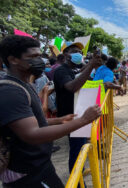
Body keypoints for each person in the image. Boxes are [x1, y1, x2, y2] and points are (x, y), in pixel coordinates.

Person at [0, 35, 101, 187]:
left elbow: (29, 121)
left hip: (39, 166)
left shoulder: (25, 84)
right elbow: (31, 134)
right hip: (27, 174)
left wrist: (58, 120)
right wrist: (83, 120)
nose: (39, 61)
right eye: (33, 56)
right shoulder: (10, 91)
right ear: (13, 59)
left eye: (39, 55)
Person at [53, 41, 103, 174]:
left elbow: (81, 71)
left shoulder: (74, 68)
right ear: (65, 54)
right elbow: (72, 87)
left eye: (80, 52)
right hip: (71, 115)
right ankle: (77, 181)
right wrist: (91, 64)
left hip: (80, 112)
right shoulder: (61, 71)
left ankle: (78, 173)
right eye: (74, 51)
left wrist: (92, 63)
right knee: (77, 150)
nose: (78, 54)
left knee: (80, 147)